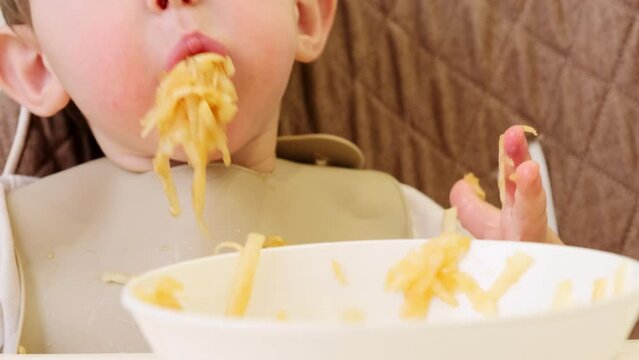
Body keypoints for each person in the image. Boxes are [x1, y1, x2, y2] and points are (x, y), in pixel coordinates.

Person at [0, 0, 561, 354]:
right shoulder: (11, 249)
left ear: (307, 12)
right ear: (38, 67)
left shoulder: (418, 236)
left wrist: (540, 287)